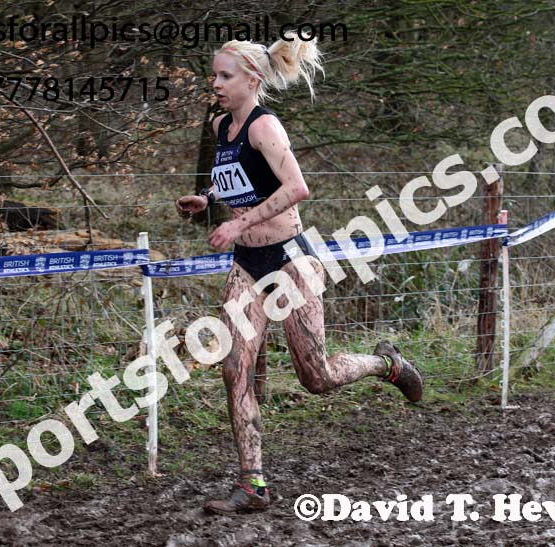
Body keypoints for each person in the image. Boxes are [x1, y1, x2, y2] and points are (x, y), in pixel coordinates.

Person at [174, 33, 423, 515]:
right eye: (214, 75)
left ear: (253, 78)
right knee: (235, 369)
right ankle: (253, 486)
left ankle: (385, 364)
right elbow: (240, 174)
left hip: (290, 261)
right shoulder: (221, 125)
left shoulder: (267, 126)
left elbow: (297, 187)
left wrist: (239, 221)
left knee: (317, 376)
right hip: (247, 265)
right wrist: (207, 198)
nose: (216, 83)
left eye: (225, 76)